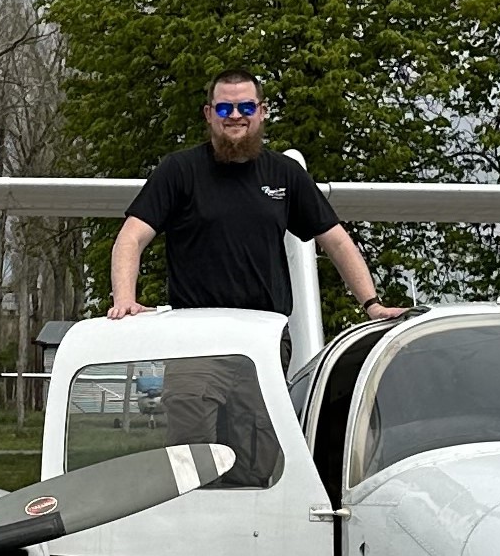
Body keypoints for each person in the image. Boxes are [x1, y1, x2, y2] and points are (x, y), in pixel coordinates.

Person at [105, 71, 405, 483]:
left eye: (246, 107)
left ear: (262, 113)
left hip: (262, 340)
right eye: (225, 108)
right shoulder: (179, 171)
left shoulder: (284, 174)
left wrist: (371, 304)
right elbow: (131, 238)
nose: (236, 116)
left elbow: (335, 240)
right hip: (194, 341)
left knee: (260, 462)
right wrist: (125, 297)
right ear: (209, 114)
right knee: (190, 463)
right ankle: (188, 535)